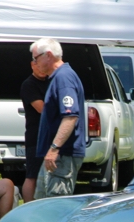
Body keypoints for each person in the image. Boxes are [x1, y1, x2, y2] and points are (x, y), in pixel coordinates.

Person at [31, 38, 86, 199]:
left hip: (62, 156)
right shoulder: (58, 77)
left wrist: (54, 148)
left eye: (36, 58)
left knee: (56, 206)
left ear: (48, 55)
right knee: (41, 203)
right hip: (55, 156)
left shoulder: (64, 78)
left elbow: (70, 117)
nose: (34, 62)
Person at [20, 61, 49, 202]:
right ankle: (28, 206)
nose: (42, 69)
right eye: (39, 65)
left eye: (44, 65)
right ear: (32, 65)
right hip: (35, 137)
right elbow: (41, 108)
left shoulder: (51, 81)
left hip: (50, 137)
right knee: (32, 175)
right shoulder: (29, 84)